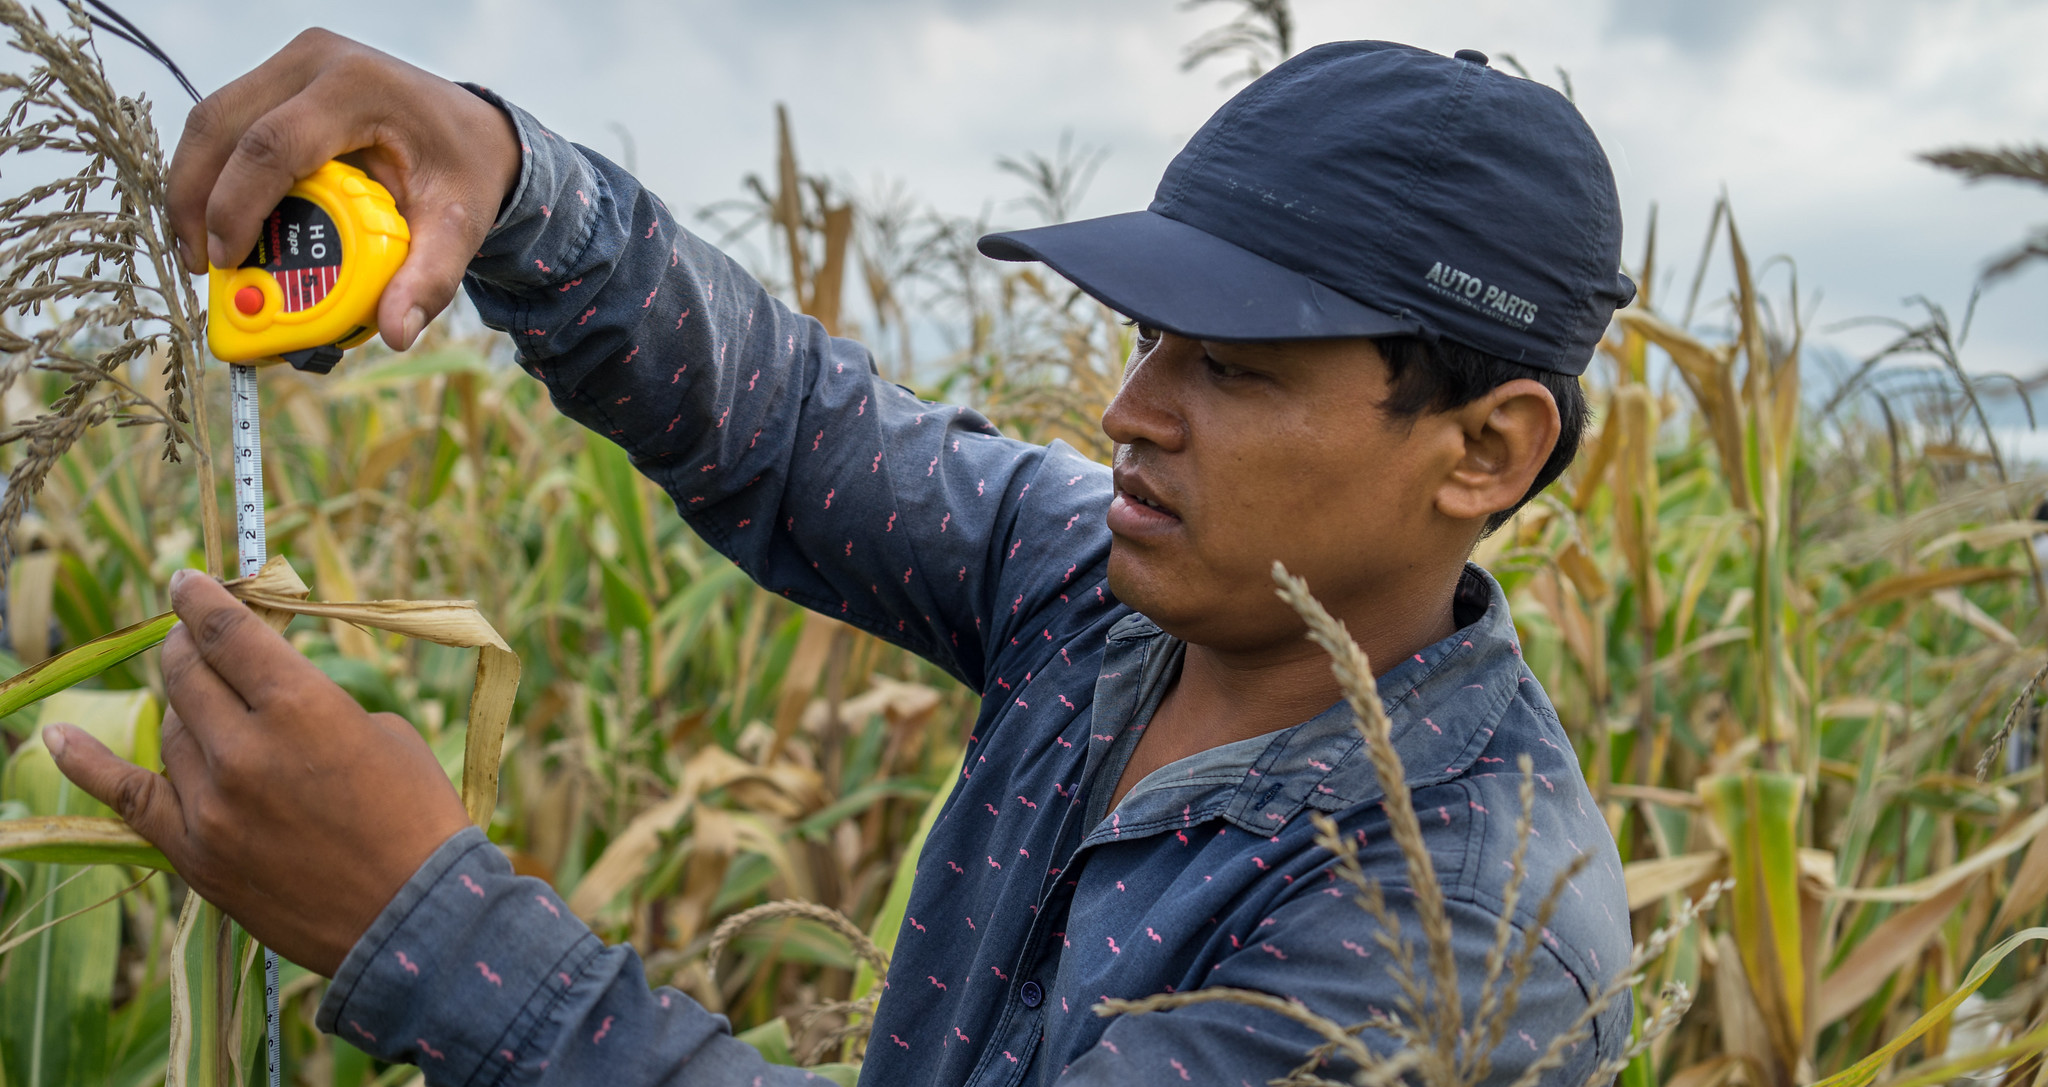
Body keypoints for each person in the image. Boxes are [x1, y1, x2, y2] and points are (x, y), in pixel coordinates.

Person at [46, 29, 1638, 1087]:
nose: (1127, 408)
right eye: (1150, 337)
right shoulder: (1103, 596)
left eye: (1232, 369)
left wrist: (426, 922)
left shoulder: (1465, 941)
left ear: (1483, 449)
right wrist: (509, 179)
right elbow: (800, 436)